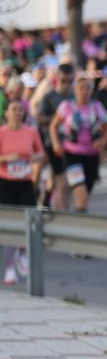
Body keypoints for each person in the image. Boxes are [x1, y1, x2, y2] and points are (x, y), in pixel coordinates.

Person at [0, 96, 45, 284]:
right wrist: (6, 158)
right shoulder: (1, 132)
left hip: (25, 181)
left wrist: (36, 158)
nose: (18, 113)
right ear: (6, 113)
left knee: (29, 220)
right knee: (9, 226)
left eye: (20, 110)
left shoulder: (31, 132)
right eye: (14, 110)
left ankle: (22, 253)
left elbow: (41, 153)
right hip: (5, 182)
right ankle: (9, 268)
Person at [50, 71, 107, 213]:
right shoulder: (67, 106)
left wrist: (103, 141)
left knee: (84, 195)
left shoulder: (97, 107)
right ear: (75, 90)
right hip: (72, 155)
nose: (84, 92)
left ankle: (75, 217)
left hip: (91, 155)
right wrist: (56, 143)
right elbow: (54, 126)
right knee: (80, 192)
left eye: (87, 88)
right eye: (81, 88)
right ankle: (77, 224)